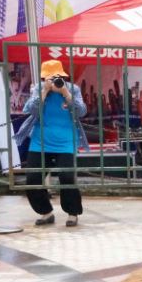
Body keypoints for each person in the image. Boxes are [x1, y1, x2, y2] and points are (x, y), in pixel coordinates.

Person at [16, 59, 87, 227]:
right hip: (40, 142)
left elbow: (81, 111)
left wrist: (65, 93)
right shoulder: (39, 89)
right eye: (49, 78)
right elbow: (30, 110)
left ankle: (72, 213)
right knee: (33, 178)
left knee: (67, 176)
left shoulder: (72, 89)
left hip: (66, 142)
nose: (54, 80)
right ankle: (46, 212)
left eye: (57, 77)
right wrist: (44, 91)